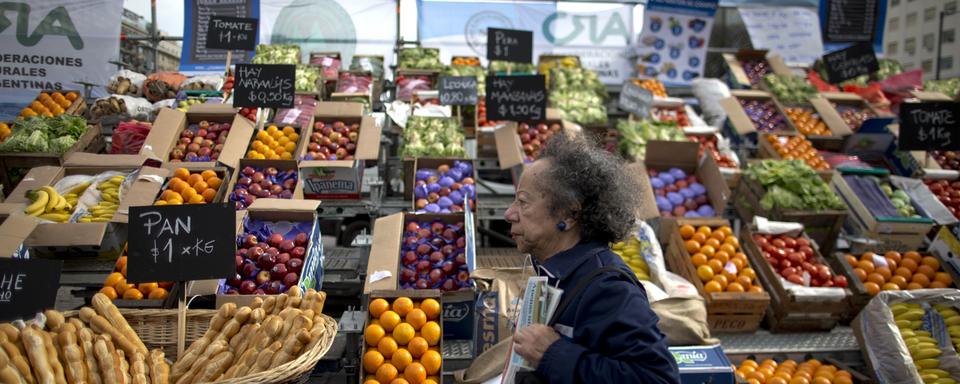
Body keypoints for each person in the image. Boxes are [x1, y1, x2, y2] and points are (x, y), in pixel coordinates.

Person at [505, 132, 680, 383]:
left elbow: (659, 378)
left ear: (569, 214)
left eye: (523, 202)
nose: (508, 213)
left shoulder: (610, 291)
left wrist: (553, 354)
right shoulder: (555, 270)